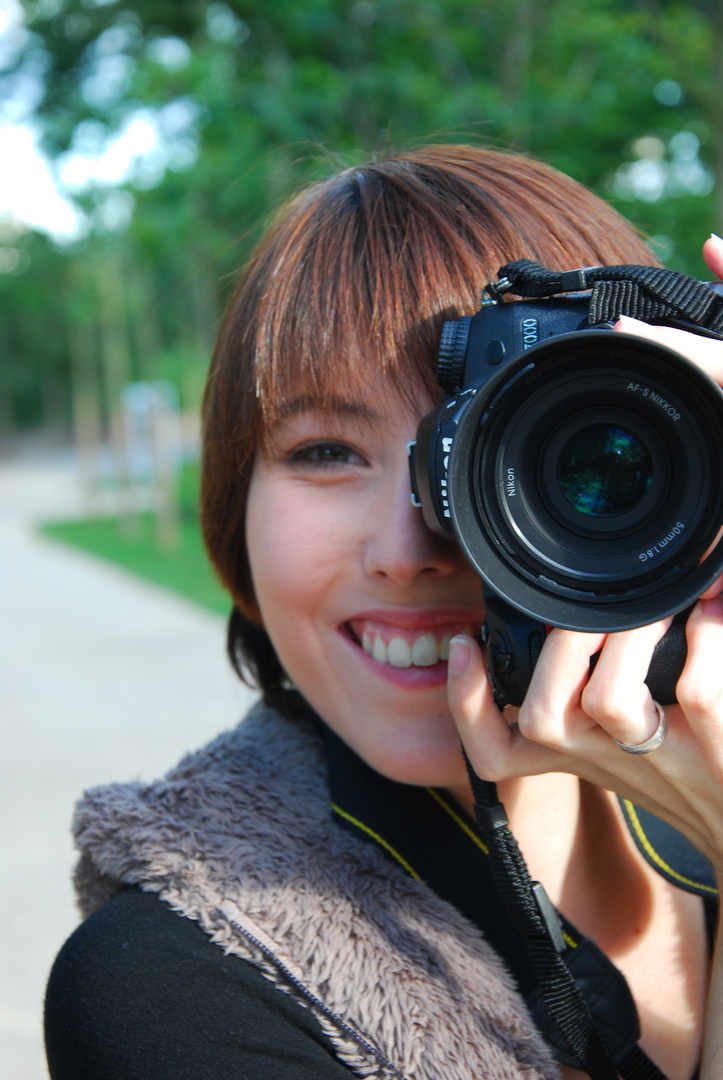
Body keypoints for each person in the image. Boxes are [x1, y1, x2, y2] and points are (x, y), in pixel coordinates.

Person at [44, 145, 723, 1080]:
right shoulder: (174, 978)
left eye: (536, 454)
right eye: (326, 451)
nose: (409, 551)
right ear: (235, 500)